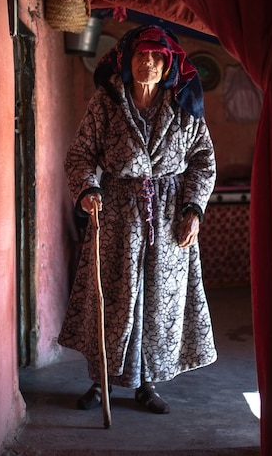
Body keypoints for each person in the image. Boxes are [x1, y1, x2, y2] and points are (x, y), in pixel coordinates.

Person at [60, 24, 218, 415]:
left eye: (157, 57)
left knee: (157, 303)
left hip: (167, 217)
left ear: (168, 65)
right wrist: (88, 190)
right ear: (129, 60)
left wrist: (194, 209)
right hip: (115, 212)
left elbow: (203, 161)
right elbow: (81, 153)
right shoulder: (108, 101)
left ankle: (147, 384)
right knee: (113, 297)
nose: (149, 62)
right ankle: (101, 382)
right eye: (141, 55)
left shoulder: (183, 105)